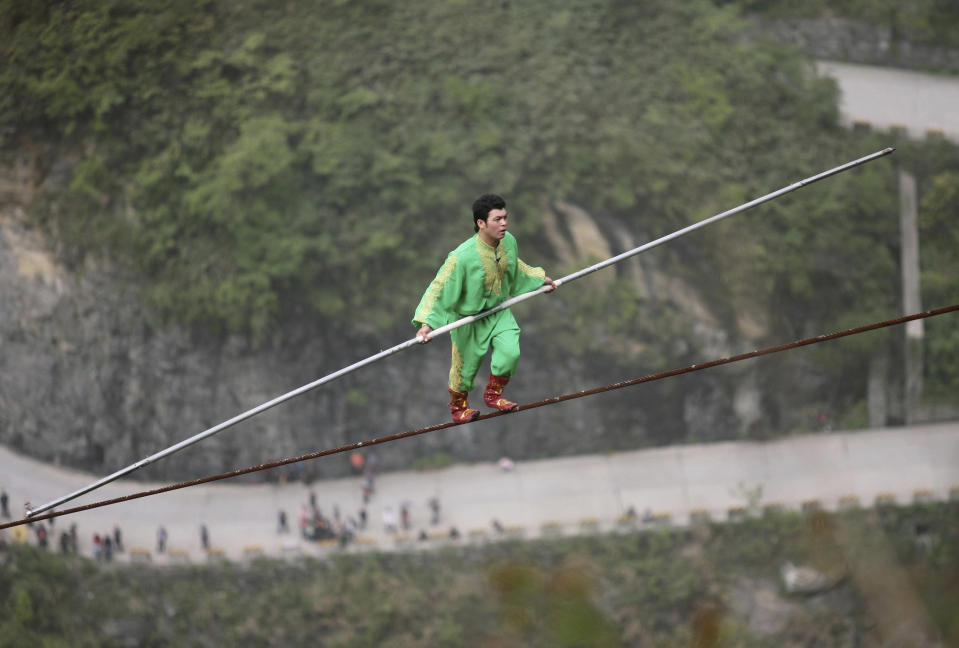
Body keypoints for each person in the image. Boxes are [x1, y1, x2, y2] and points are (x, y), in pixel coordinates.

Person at [414, 193, 556, 422]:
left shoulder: (509, 241)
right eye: (497, 219)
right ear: (481, 223)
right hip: (467, 319)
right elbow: (439, 288)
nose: (504, 224)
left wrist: (540, 280)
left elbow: (515, 267)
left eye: (505, 217)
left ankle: (493, 394)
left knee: (510, 352)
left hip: (498, 312)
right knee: (463, 371)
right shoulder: (461, 257)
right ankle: (458, 408)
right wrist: (426, 324)